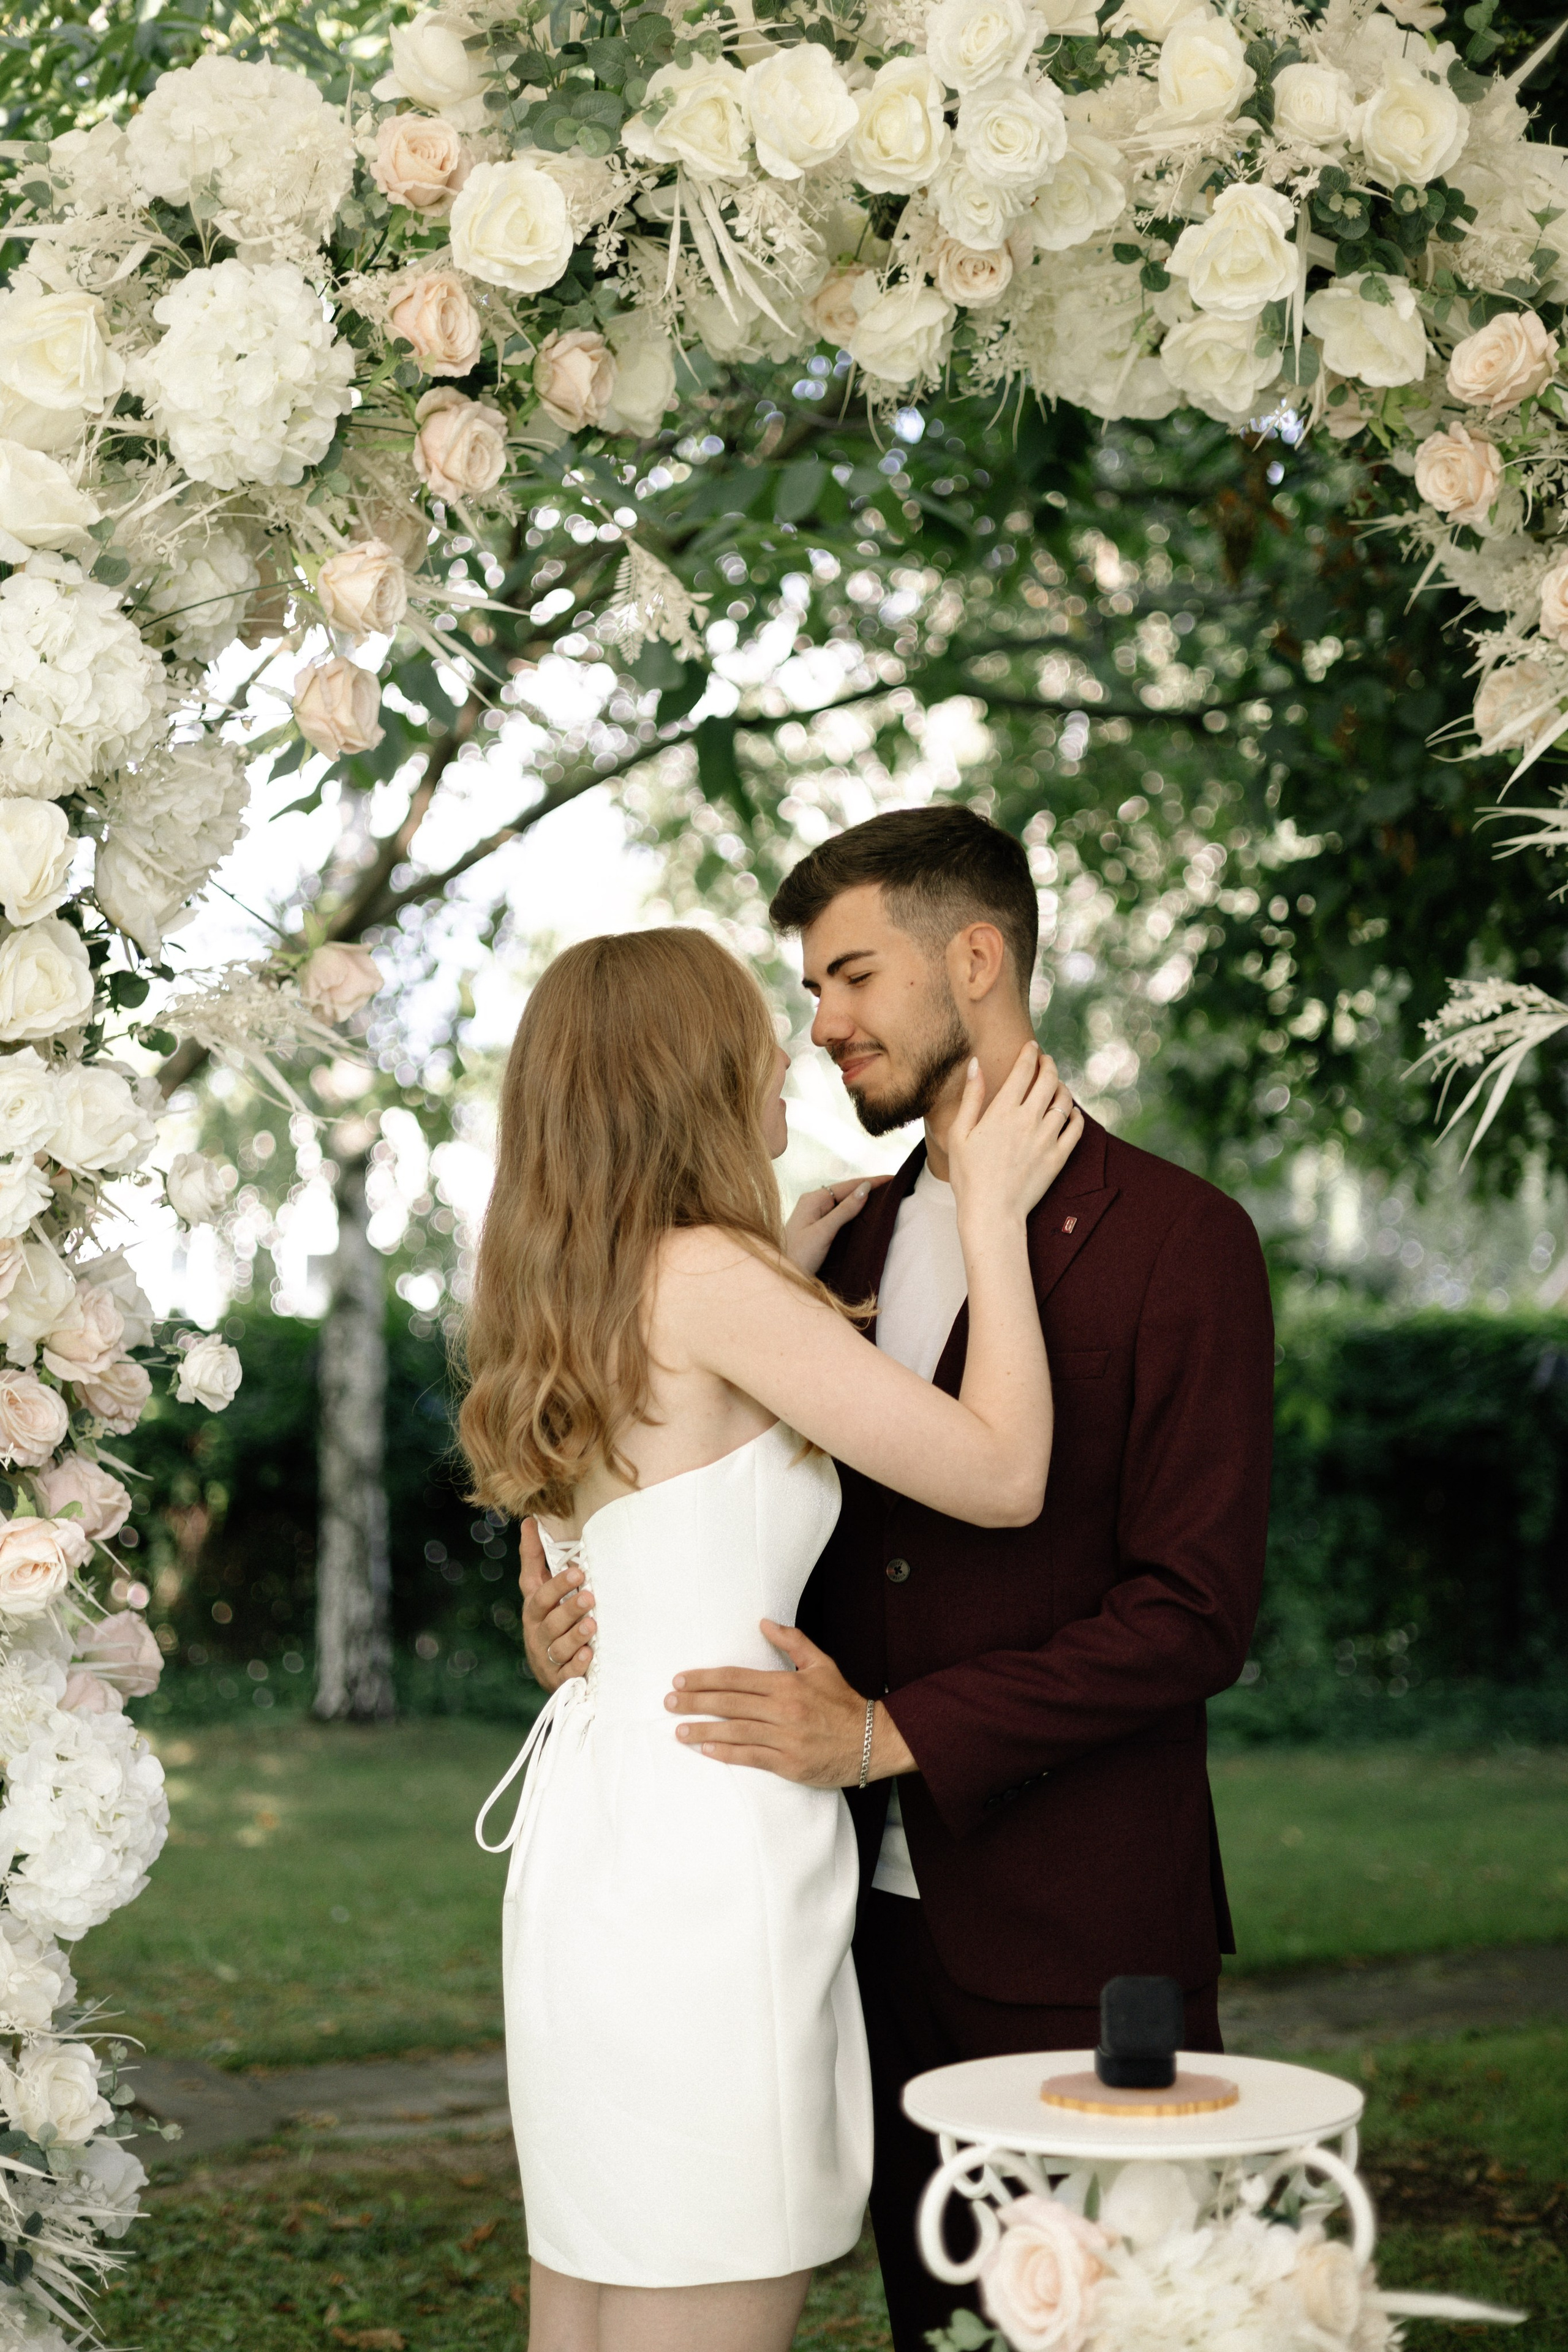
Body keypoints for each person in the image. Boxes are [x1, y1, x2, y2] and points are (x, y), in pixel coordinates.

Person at [525, 808, 1275, 2351]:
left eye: (849, 976)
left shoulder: (1177, 1240)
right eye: (804, 989)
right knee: (928, 2326)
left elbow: (1193, 1612)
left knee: (1103, 2327)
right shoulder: (819, 1248)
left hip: (1070, 1918)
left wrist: (894, 1734)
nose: (819, 1027)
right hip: (825, 1918)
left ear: (977, 959)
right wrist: (566, 1611)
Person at [467, 923, 1082, 2352]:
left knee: (600, 2277)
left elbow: (612, 1547)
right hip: (706, 1852)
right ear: (689, 1079)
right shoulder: (711, 1288)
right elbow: (999, 1476)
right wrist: (987, 1224)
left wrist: (782, 1267)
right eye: (756, 1037)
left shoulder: (564, 1290)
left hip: (595, 1840)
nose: (787, 1061)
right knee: (710, 2262)